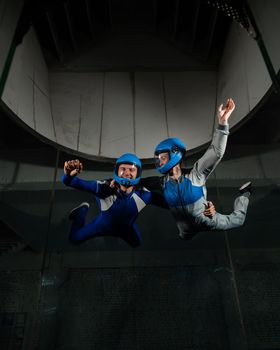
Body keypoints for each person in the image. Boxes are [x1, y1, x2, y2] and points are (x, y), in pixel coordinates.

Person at [140, 98, 252, 239]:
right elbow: (135, 182)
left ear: (174, 155)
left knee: (238, 221)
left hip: (208, 221)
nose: (160, 162)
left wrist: (223, 123)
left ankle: (245, 194)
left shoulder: (196, 174)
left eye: (163, 157)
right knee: (185, 237)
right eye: (158, 159)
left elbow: (216, 152)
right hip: (185, 231)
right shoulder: (162, 183)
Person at [62, 154, 168, 247]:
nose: (127, 173)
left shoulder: (144, 195)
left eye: (131, 170)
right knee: (74, 238)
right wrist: (68, 175)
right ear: (116, 171)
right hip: (101, 225)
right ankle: (82, 211)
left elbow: (171, 203)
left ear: (138, 173)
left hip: (125, 228)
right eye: (123, 169)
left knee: (136, 243)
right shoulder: (104, 188)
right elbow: (71, 182)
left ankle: (128, 222)